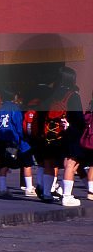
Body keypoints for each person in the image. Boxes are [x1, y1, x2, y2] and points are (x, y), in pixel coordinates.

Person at [37, 68, 84, 207]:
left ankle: (46, 193)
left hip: (49, 135)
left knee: (49, 163)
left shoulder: (51, 94)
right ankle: (67, 196)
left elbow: (41, 113)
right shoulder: (72, 95)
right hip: (67, 135)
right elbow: (78, 119)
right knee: (70, 164)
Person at [0, 91, 34, 198]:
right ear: (14, 97)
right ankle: (29, 188)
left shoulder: (0, 109)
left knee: (3, 163)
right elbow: (18, 124)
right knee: (27, 162)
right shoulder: (15, 108)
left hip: (2, 139)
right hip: (15, 139)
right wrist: (23, 136)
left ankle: (2, 188)